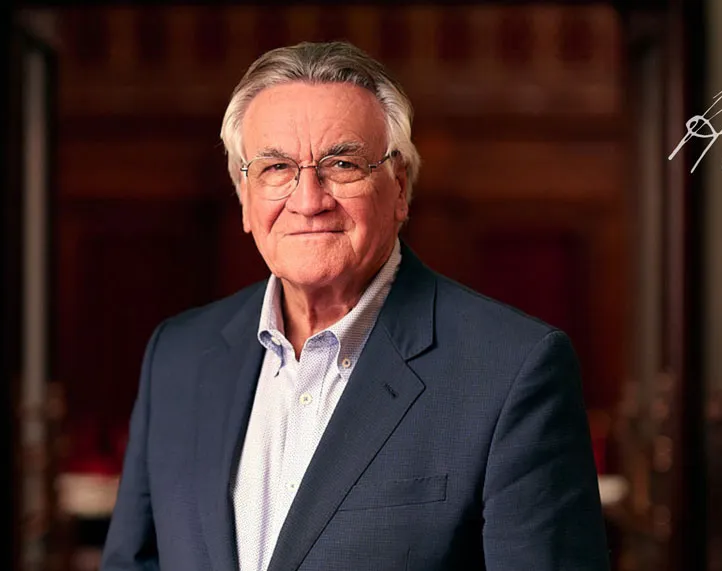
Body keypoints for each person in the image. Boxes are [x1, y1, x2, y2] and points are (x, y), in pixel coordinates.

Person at [102, 41, 610, 571]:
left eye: (341, 164)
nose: (308, 200)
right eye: (276, 167)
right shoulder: (177, 355)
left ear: (399, 189)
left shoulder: (514, 369)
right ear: (244, 197)